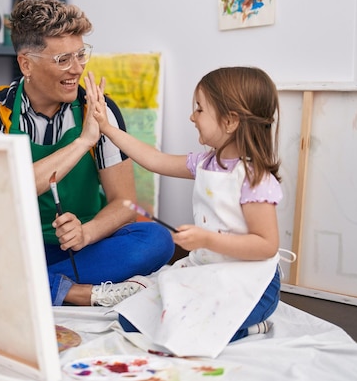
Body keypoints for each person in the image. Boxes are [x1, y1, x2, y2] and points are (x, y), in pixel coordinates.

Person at [0, 0, 175, 307]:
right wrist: (82, 142)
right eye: (63, 59)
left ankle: (26, 285)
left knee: (157, 241)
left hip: (83, 249)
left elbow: (125, 203)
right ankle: (75, 292)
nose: (77, 69)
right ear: (27, 63)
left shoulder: (100, 109)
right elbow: (8, 187)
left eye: (81, 55)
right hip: (17, 245)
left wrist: (86, 233)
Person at [90, 66, 283, 343]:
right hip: (210, 271)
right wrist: (107, 127)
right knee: (131, 320)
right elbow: (154, 160)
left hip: (253, 284)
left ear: (230, 121)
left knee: (184, 329)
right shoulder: (205, 163)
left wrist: (206, 239)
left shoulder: (254, 179)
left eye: (200, 109)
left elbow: (266, 245)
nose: (192, 117)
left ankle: (250, 328)